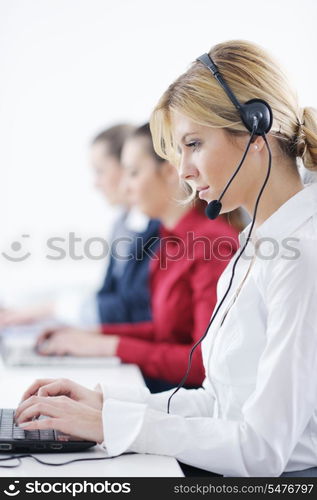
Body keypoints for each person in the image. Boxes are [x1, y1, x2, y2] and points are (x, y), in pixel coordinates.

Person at [15, 39, 317, 477]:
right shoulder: (255, 244)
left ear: (256, 129)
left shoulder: (300, 257)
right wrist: (104, 404)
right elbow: (219, 402)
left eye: (193, 144)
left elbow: (261, 451)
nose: (183, 172)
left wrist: (112, 425)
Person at [34, 123, 239, 392]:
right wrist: (92, 336)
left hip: (191, 404)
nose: (125, 188)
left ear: (168, 172)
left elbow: (203, 364)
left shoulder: (211, 243)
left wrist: (107, 345)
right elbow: (165, 332)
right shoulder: (168, 241)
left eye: (132, 173)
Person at [0, 124, 159, 329]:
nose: (96, 183)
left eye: (100, 171)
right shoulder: (122, 224)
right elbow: (107, 296)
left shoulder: (160, 228)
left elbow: (134, 308)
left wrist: (50, 310)